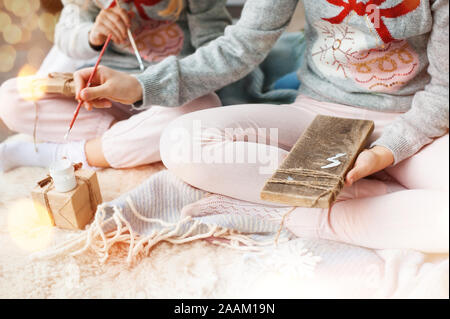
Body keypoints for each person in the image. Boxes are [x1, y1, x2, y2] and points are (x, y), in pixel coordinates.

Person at [12, 0, 450, 252]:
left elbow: (443, 94)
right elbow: (239, 46)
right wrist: (142, 85)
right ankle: (352, 205)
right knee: (184, 140)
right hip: (314, 115)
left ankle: (305, 216)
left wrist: (387, 151)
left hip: (410, 122)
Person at [0, 0, 230, 171]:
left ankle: (66, 154)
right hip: (106, 94)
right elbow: (66, 34)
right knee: (10, 98)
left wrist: (153, 83)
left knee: (204, 107)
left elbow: (217, 50)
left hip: (166, 93)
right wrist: (92, 34)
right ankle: (133, 139)